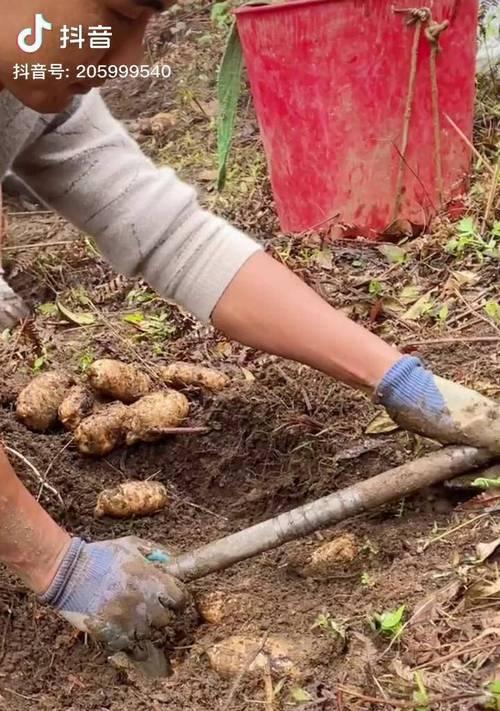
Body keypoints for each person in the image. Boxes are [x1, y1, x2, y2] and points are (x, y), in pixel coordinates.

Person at [0, 0, 498, 653]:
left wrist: (395, 375)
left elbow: (165, 230)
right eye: (116, 12)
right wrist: (50, 559)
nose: (124, 55)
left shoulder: (41, 78)